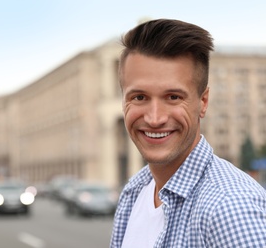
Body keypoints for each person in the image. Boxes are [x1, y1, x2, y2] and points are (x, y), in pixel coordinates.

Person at [110, 19, 266, 248]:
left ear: (203, 102)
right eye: (139, 97)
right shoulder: (135, 189)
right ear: (124, 101)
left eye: (173, 97)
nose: (154, 118)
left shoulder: (229, 207)